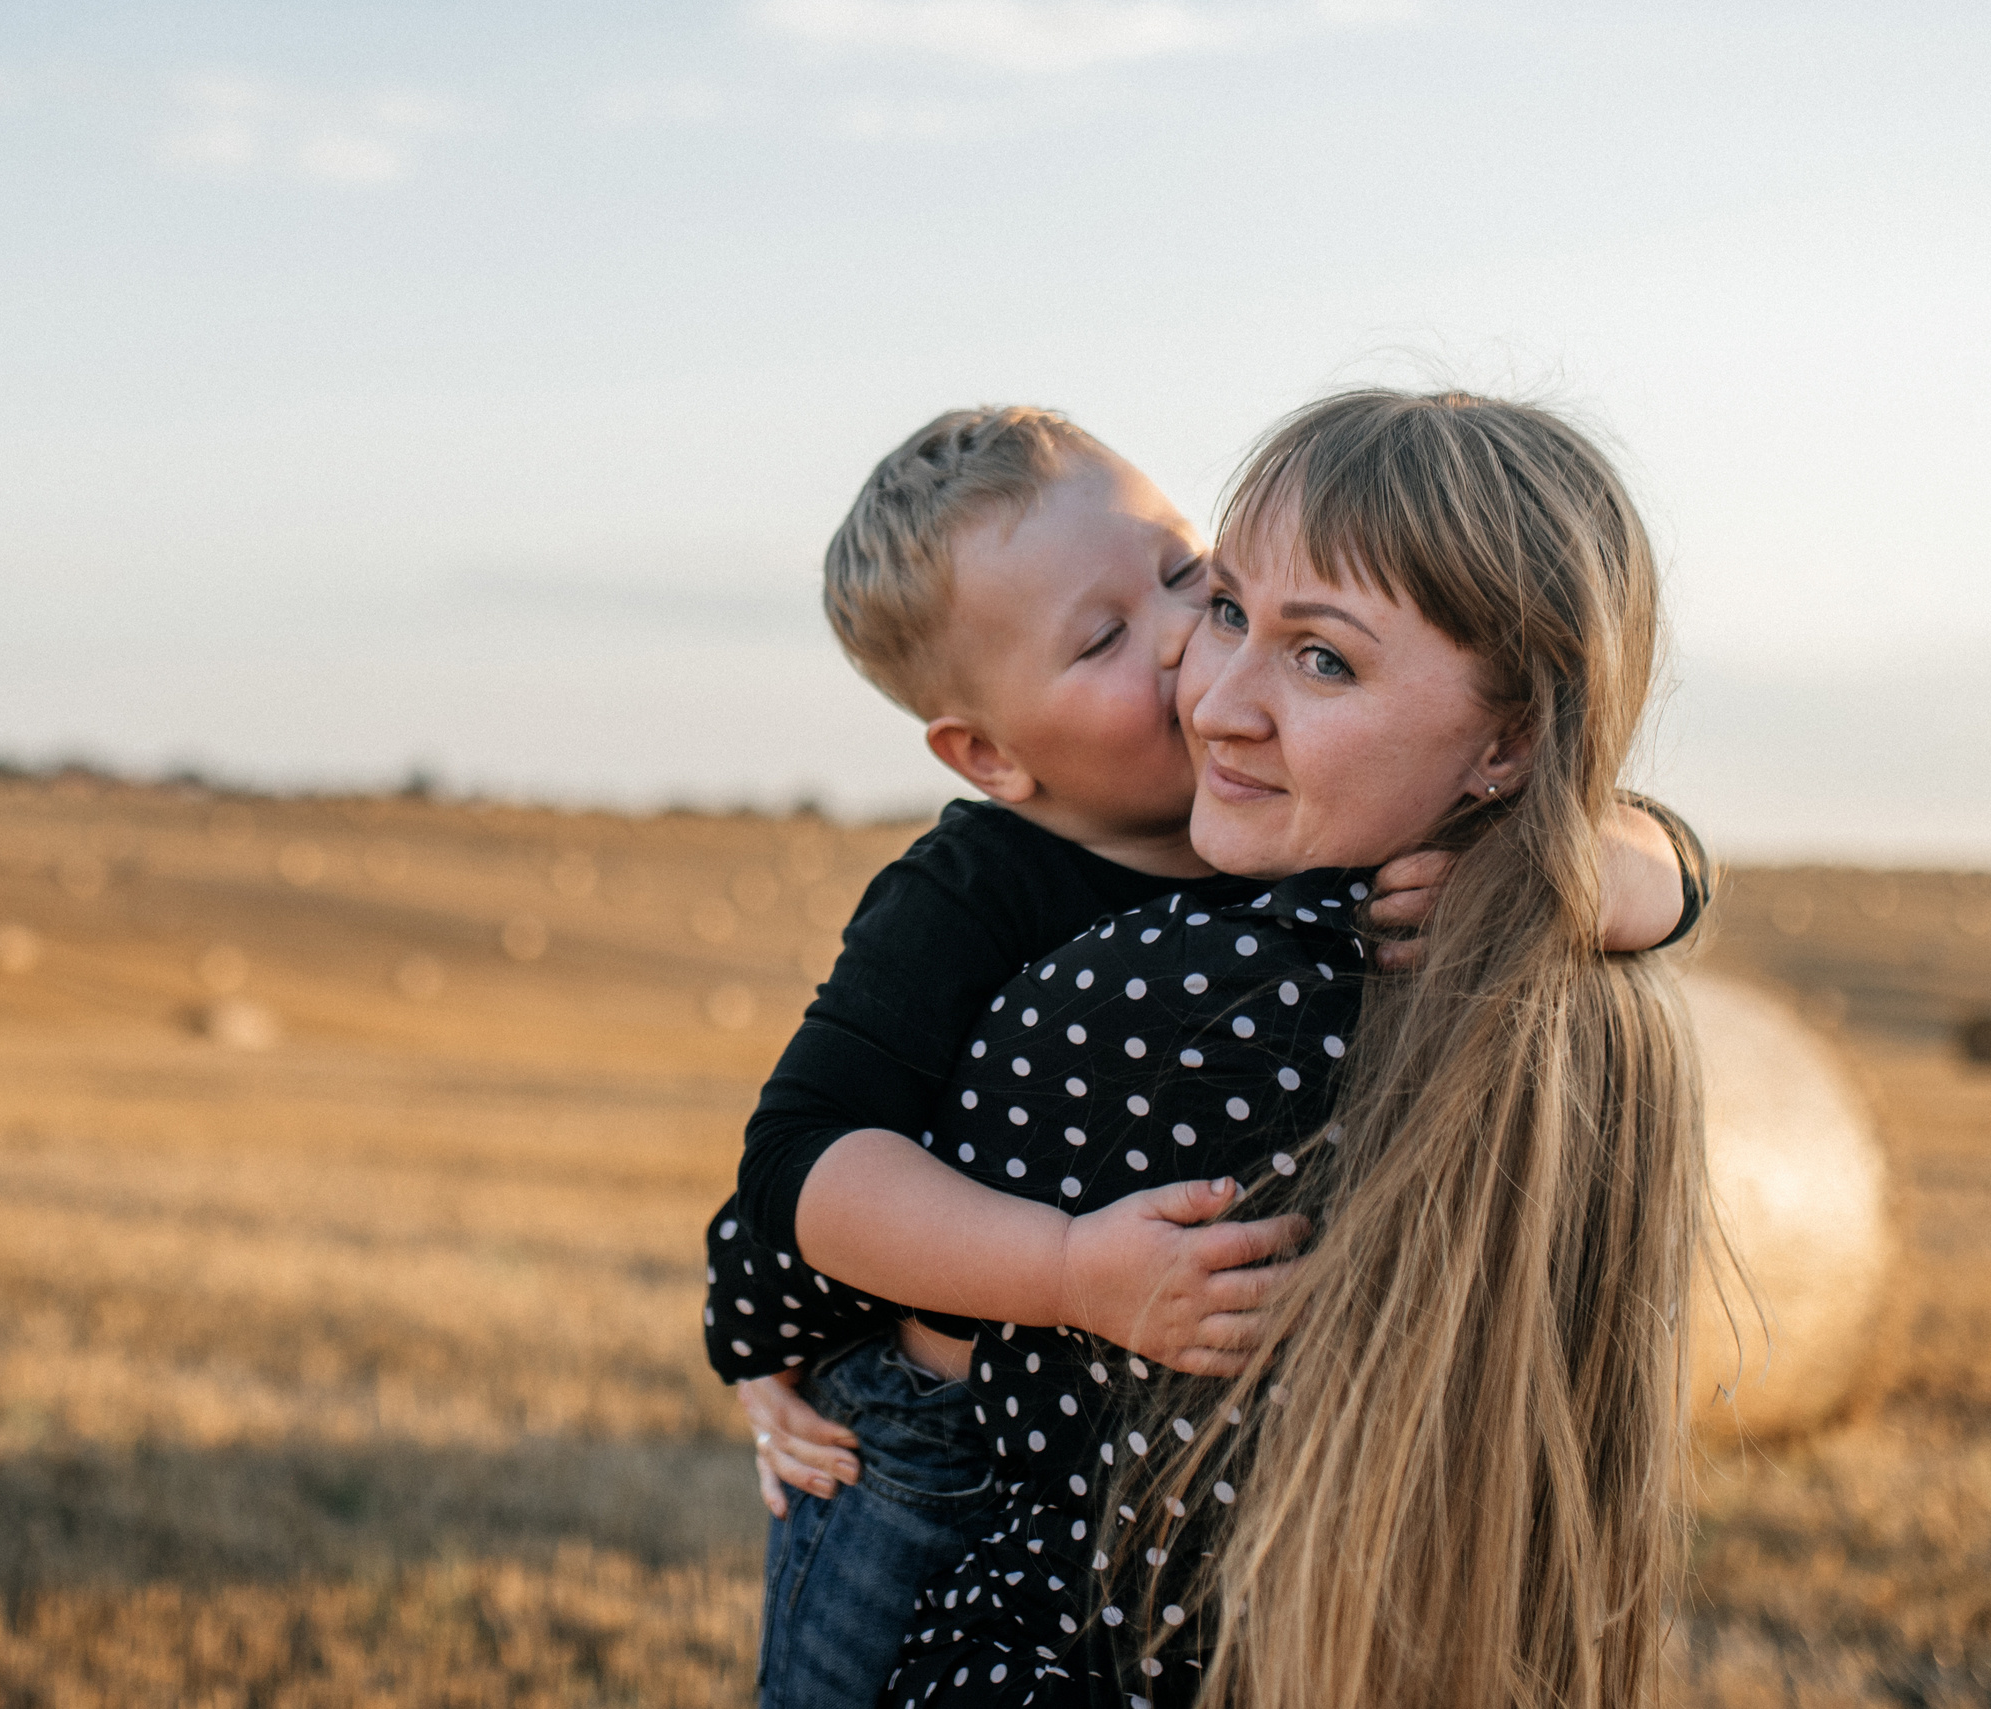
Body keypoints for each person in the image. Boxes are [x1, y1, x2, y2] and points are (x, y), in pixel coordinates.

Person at [702, 406, 1710, 1708]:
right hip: (916, 1444)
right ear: (992, 752)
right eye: (1109, 637)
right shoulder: (970, 889)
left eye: (1196, 581)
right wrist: (1062, 1270)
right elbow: (801, 1163)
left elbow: (1627, 831)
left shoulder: (1300, 827)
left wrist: (1588, 874)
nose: (1189, 643)